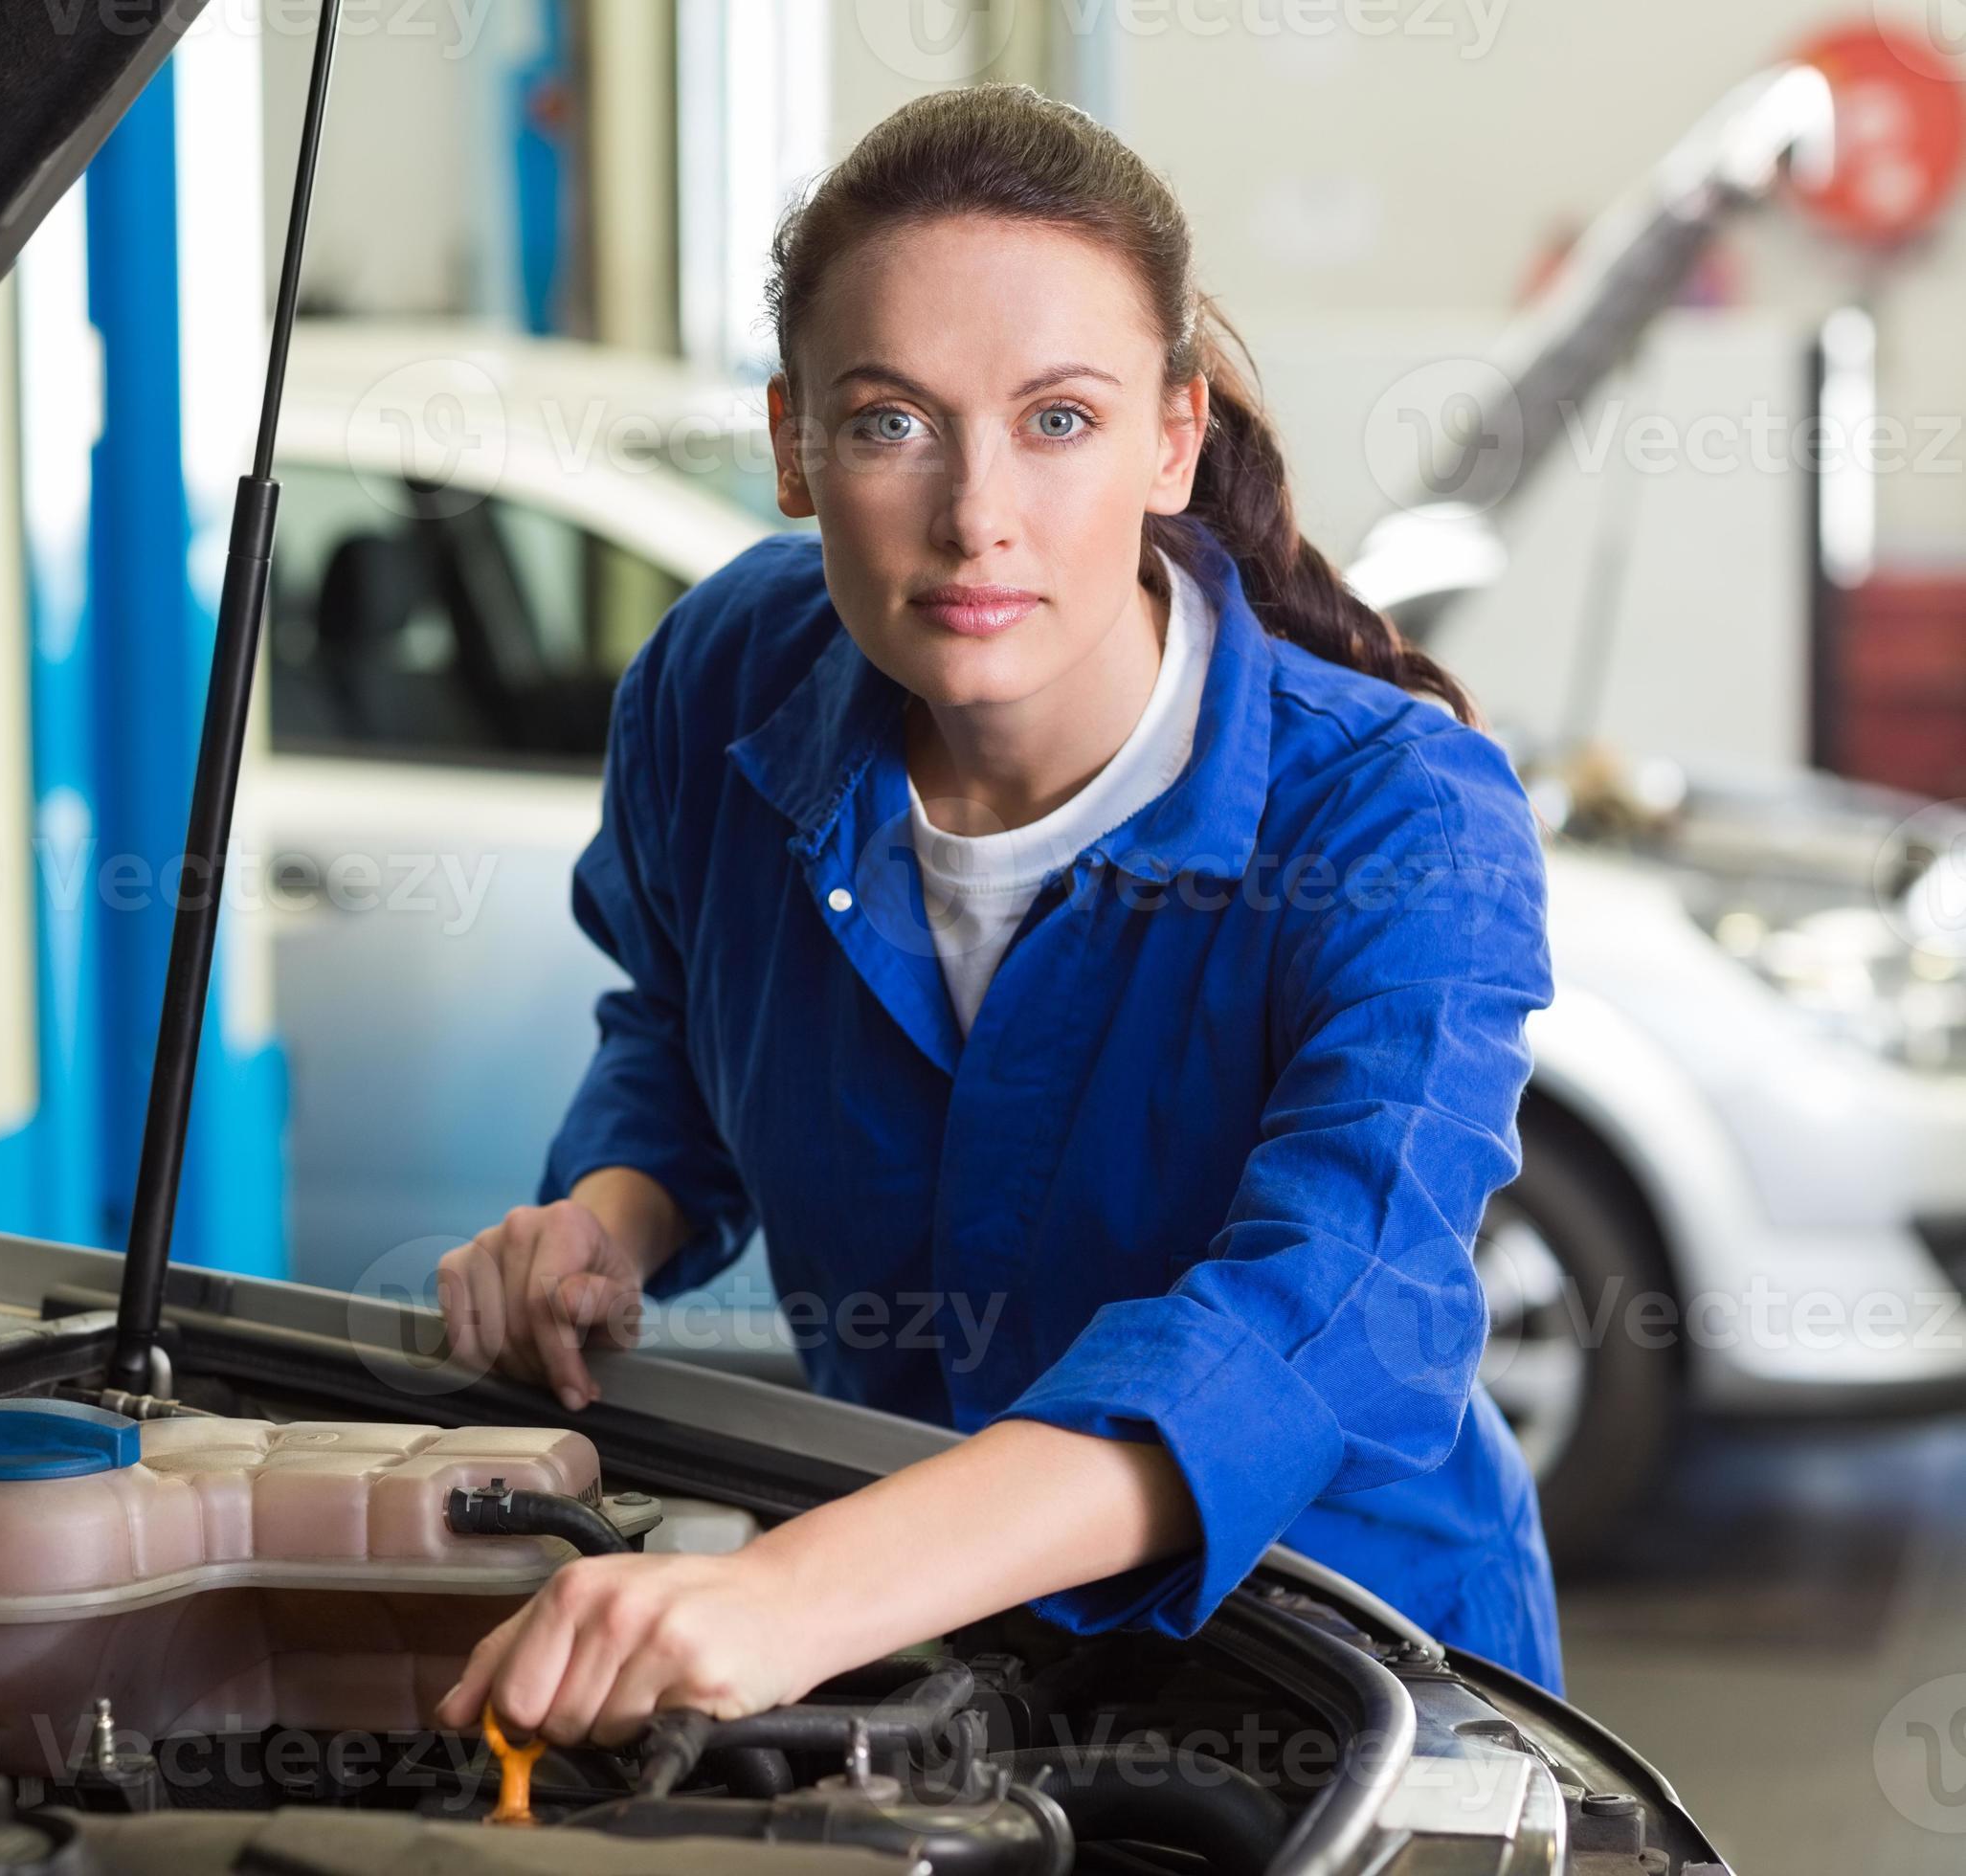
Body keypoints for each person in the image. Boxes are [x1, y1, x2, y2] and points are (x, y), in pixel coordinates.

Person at [429, 83, 1561, 1752]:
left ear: (1172, 436)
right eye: (891, 421)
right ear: (795, 448)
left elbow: (1326, 1312)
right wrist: (614, 1217)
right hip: (929, 1663)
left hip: (1352, 1682)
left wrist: (795, 1597)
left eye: (1059, 419)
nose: (977, 516)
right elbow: (682, 1017)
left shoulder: (1396, 818)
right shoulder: (721, 680)